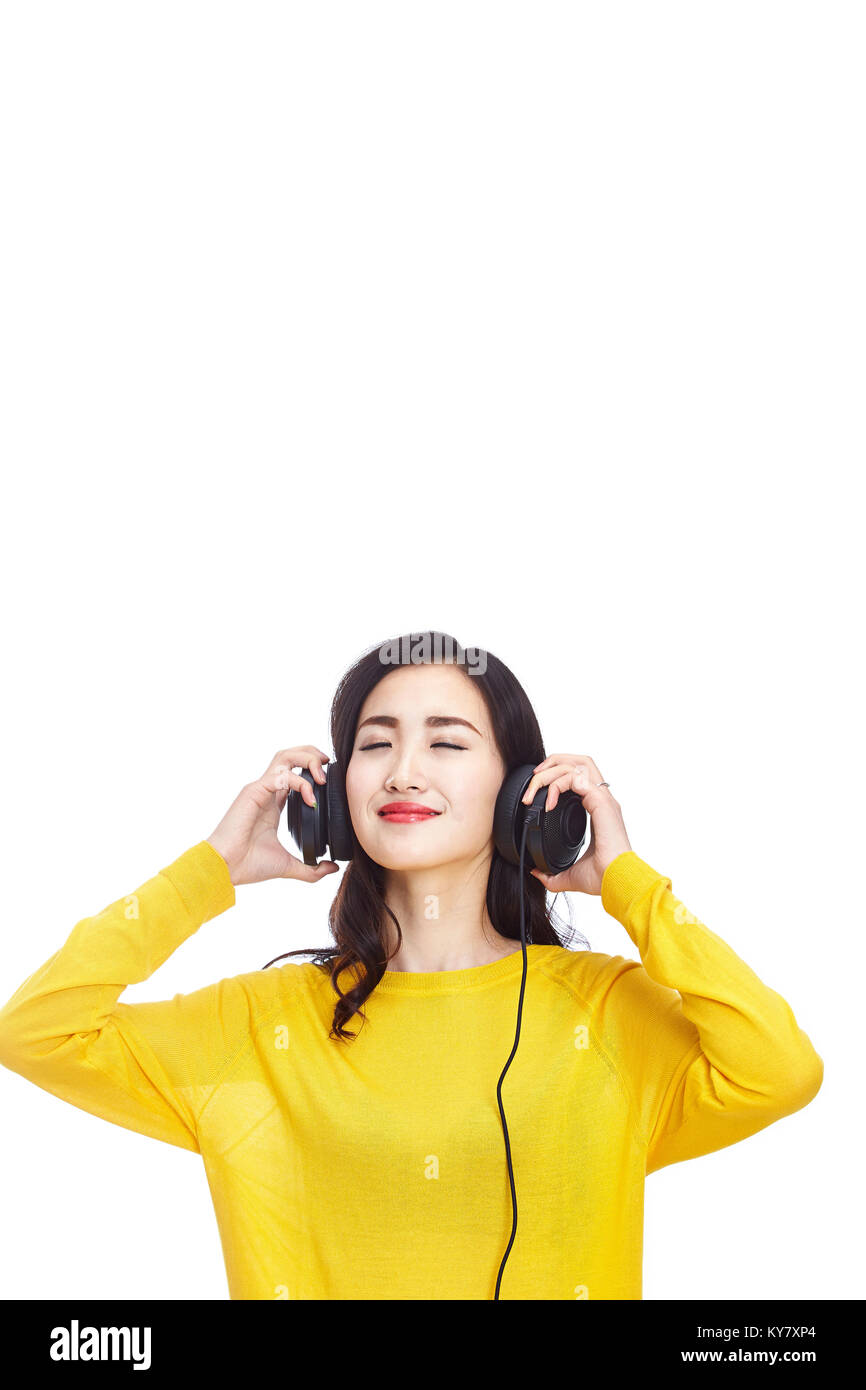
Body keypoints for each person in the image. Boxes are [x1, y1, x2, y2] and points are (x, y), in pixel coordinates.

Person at [0, 631, 823, 1300]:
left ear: (523, 795)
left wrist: (629, 887)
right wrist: (211, 870)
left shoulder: (603, 1017)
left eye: (446, 742)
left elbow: (777, 1070)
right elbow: (38, 1031)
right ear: (334, 797)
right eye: (375, 742)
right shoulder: (261, 1025)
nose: (403, 771)